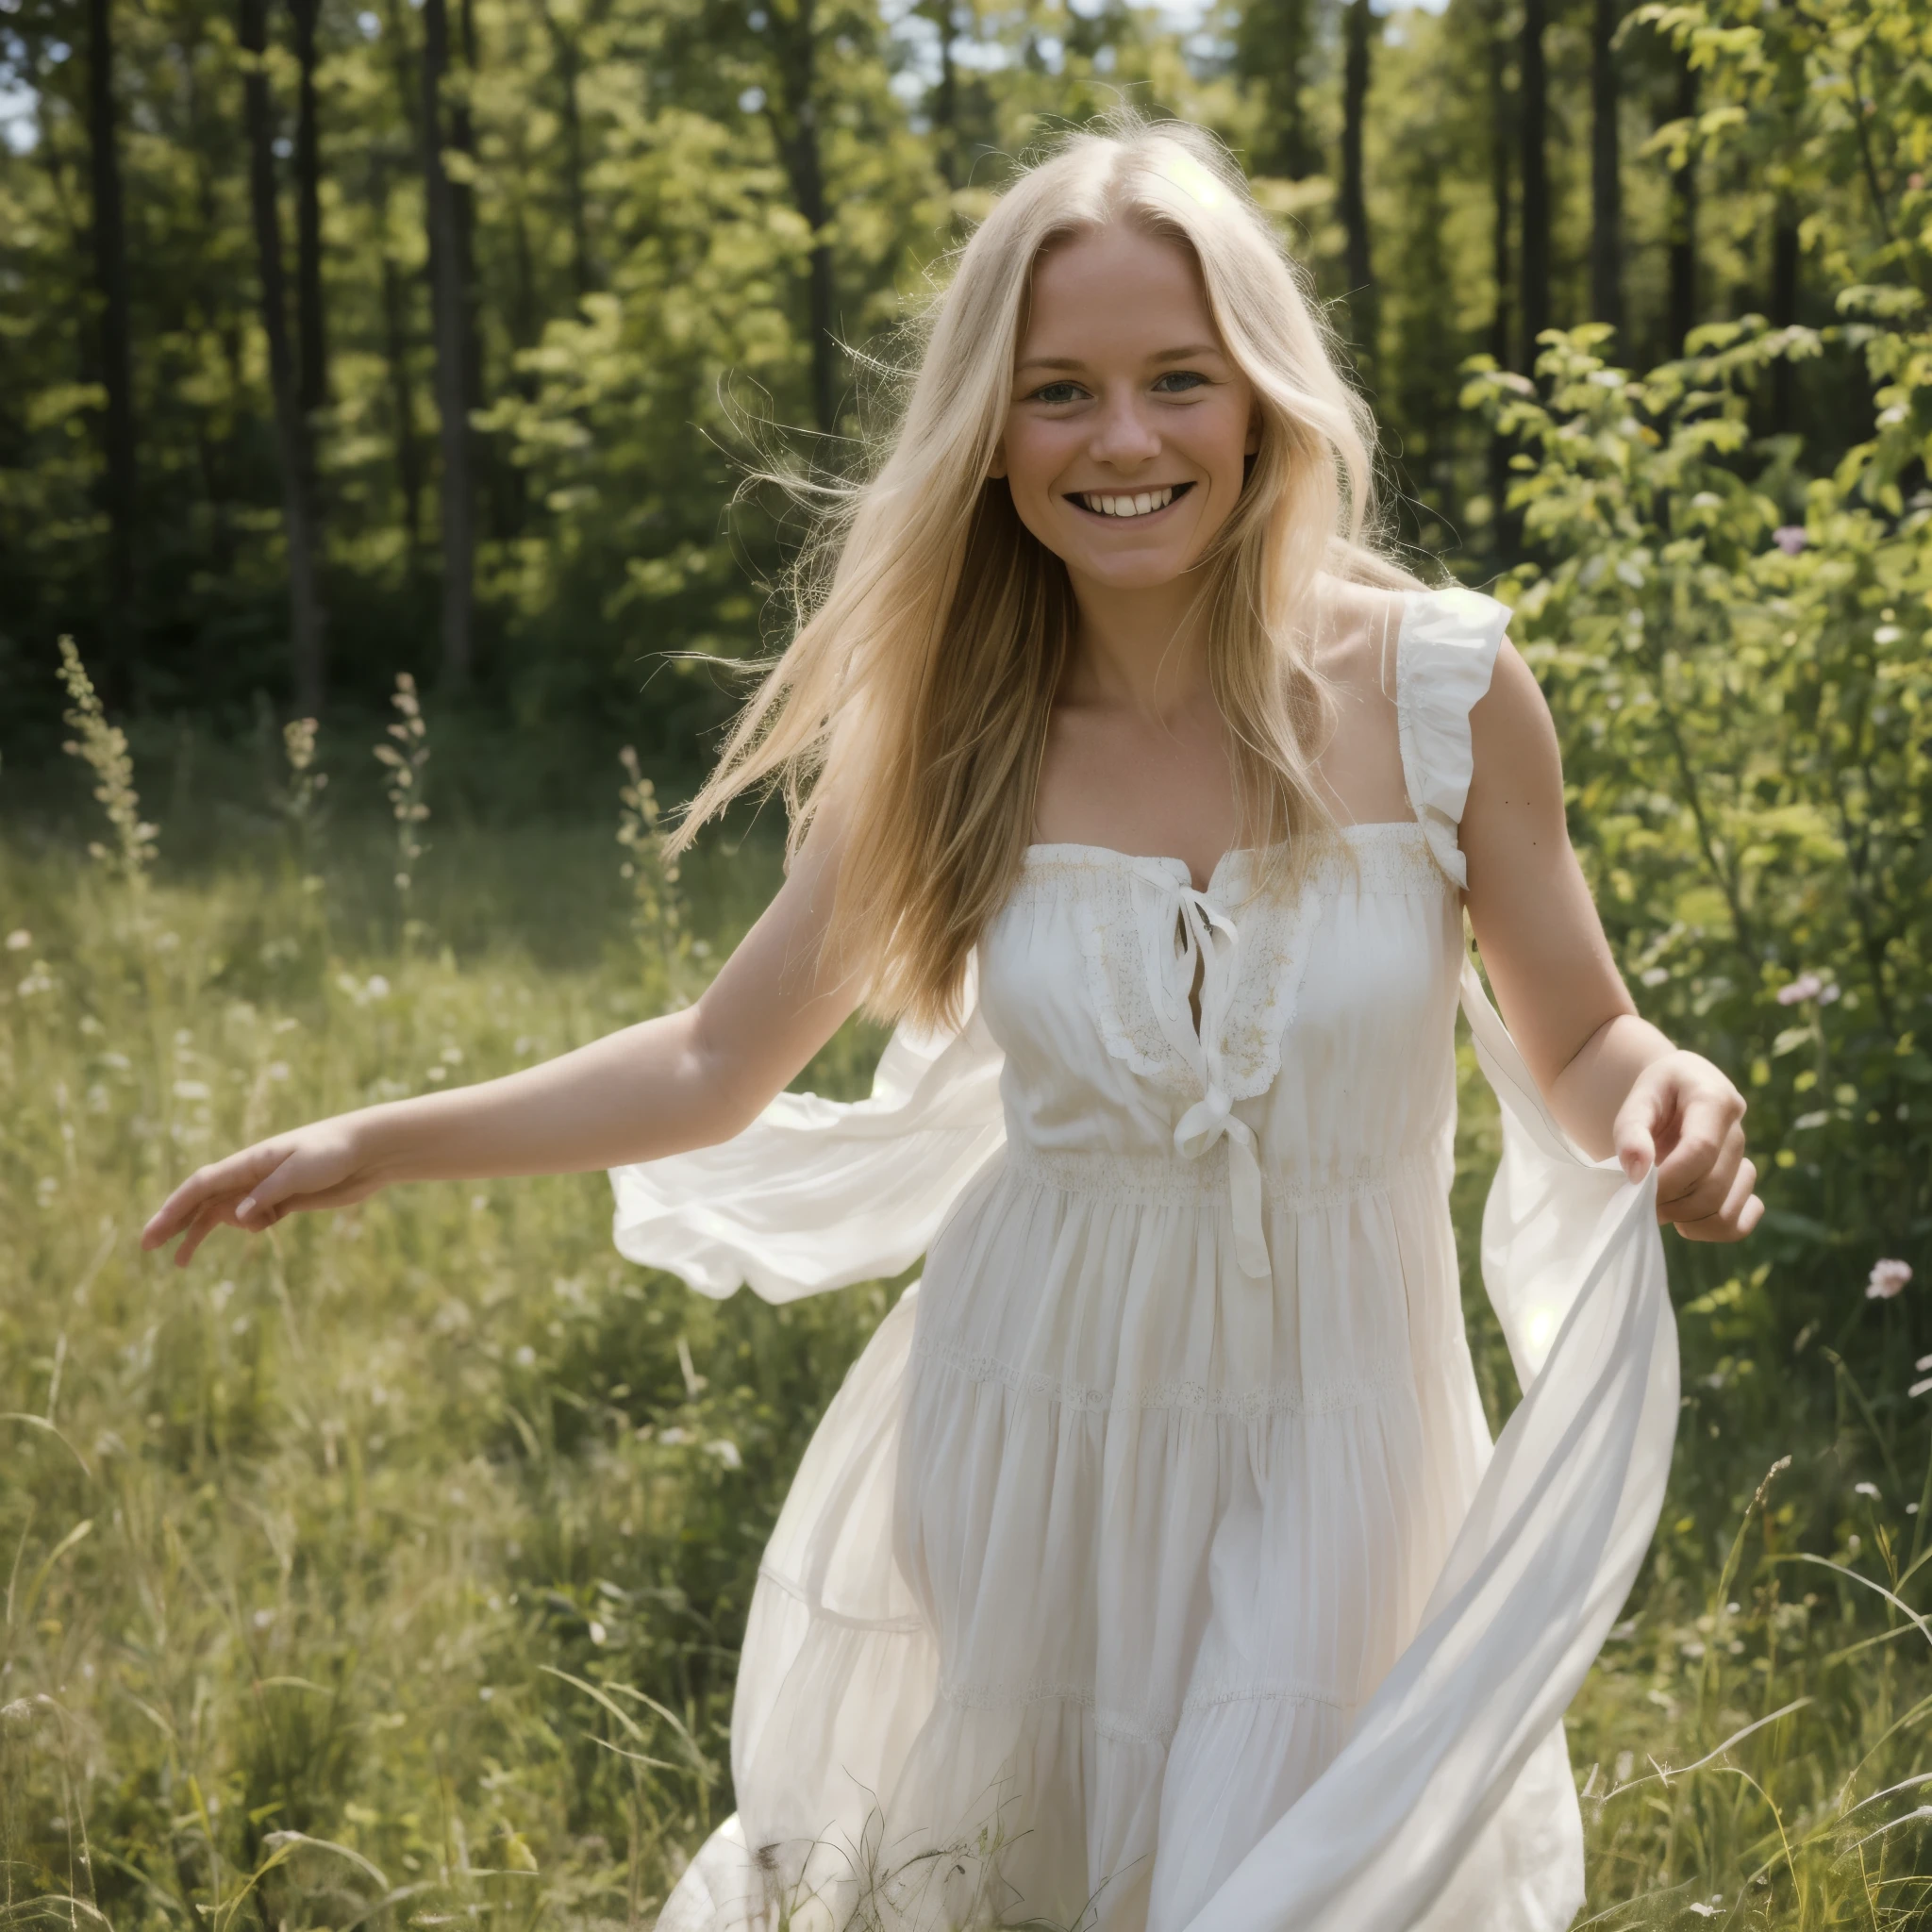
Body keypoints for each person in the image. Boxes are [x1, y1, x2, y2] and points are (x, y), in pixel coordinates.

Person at [144, 117, 1759, 1932]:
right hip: (1032, 1424)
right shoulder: (954, 729)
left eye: (1177, 381)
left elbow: (1582, 1032)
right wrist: (381, 1135)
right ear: (988, 434)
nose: (1124, 440)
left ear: (1262, 402)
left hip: (1347, 1431)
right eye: (1059, 391)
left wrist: (1673, 1092)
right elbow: (712, 1060)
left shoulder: (1441, 685)